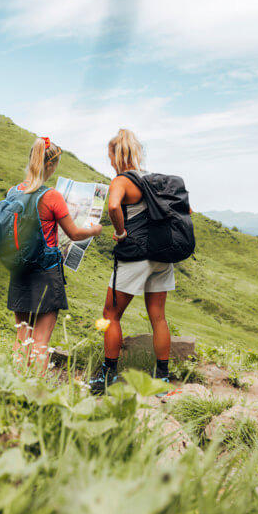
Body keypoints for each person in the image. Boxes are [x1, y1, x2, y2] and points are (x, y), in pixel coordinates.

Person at [89, 129, 175, 394]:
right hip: (163, 256)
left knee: (110, 314)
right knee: (158, 317)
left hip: (136, 256)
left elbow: (114, 207)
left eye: (109, 156)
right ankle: (162, 378)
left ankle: (109, 376)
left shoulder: (122, 181)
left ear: (116, 154)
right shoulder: (154, 179)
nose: (110, 161)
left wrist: (120, 232)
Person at [8, 137, 102, 372]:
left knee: (22, 337)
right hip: (46, 273)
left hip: (20, 271)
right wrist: (95, 229)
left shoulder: (12, 192)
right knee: (41, 342)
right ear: (51, 166)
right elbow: (75, 233)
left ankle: (12, 394)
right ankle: (35, 398)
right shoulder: (51, 196)